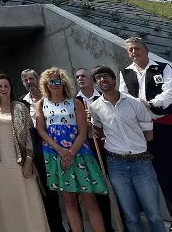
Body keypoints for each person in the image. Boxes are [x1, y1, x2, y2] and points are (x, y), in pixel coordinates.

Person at [119, 37, 172, 232]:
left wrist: (149, 104)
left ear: (146, 49)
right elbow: (124, 97)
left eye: (137, 48)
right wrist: (138, 108)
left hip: (168, 125)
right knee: (161, 173)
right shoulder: (125, 73)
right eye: (130, 50)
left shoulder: (163, 68)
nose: (134, 52)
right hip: (146, 130)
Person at [89, 65, 166, 232]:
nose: (102, 80)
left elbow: (149, 132)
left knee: (154, 215)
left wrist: (136, 145)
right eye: (98, 78)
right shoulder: (95, 107)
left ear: (114, 80)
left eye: (105, 76)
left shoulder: (135, 103)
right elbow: (98, 129)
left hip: (141, 162)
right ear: (96, 83)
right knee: (130, 216)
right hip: (116, 164)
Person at [36, 68, 108, 232]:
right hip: (55, 155)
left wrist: (70, 153)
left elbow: (83, 132)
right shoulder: (41, 103)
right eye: (50, 81)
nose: (54, 85)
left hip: (79, 154)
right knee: (69, 202)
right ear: (45, 84)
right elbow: (41, 131)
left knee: (90, 200)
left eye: (57, 81)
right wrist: (61, 151)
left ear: (63, 82)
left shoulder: (75, 103)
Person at [0, 74, 49, 232]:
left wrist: (29, 159)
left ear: (11, 88)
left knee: (27, 196)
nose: (2, 89)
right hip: (0, 162)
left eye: (6, 86)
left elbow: (29, 135)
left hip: (20, 159)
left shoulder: (20, 107)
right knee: (7, 200)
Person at [21, 69, 66, 232]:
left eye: (31, 78)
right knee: (49, 192)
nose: (29, 82)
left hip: (62, 143)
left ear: (38, 79)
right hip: (39, 149)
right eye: (25, 80)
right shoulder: (22, 103)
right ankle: (56, 227)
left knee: (69, 190)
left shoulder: (53, 97)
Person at [74, 68, 116, 232]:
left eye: (83, 76)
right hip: (88, 148)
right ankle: (105, 225)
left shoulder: (104, 96)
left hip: (110, 145)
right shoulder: (74, 101)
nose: (80, 79)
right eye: (77, 77)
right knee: (99, 190)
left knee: (115, 187)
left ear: (92, 80)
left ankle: (121, 223)